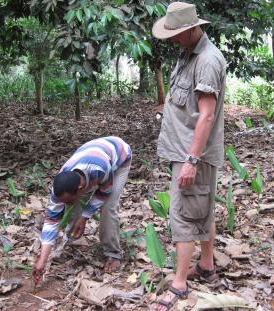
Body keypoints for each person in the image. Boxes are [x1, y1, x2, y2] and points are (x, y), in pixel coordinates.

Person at [152, 2, 226, 310]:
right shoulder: (187, 54)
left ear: (192, 29)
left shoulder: (207, 60)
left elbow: (207, 116)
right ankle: (206, 265)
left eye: (177, 34)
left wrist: (191, 161)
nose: (172, 39)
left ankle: (180, 285)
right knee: (202, 209)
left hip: (192, 155)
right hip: (183, 149)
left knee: (182, 216)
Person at [32, 136, 132, 283]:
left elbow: (104, 193)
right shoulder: (60, 187)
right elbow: (52, 220)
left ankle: (113, 254)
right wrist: (42, 260)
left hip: (119, 156)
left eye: (69, 199)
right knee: (73, 206)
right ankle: (72, 240)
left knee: (109, 206)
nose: (67, 204)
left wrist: (84, 217)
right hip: (92, 155)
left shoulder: (100, 170)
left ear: (80, 189)